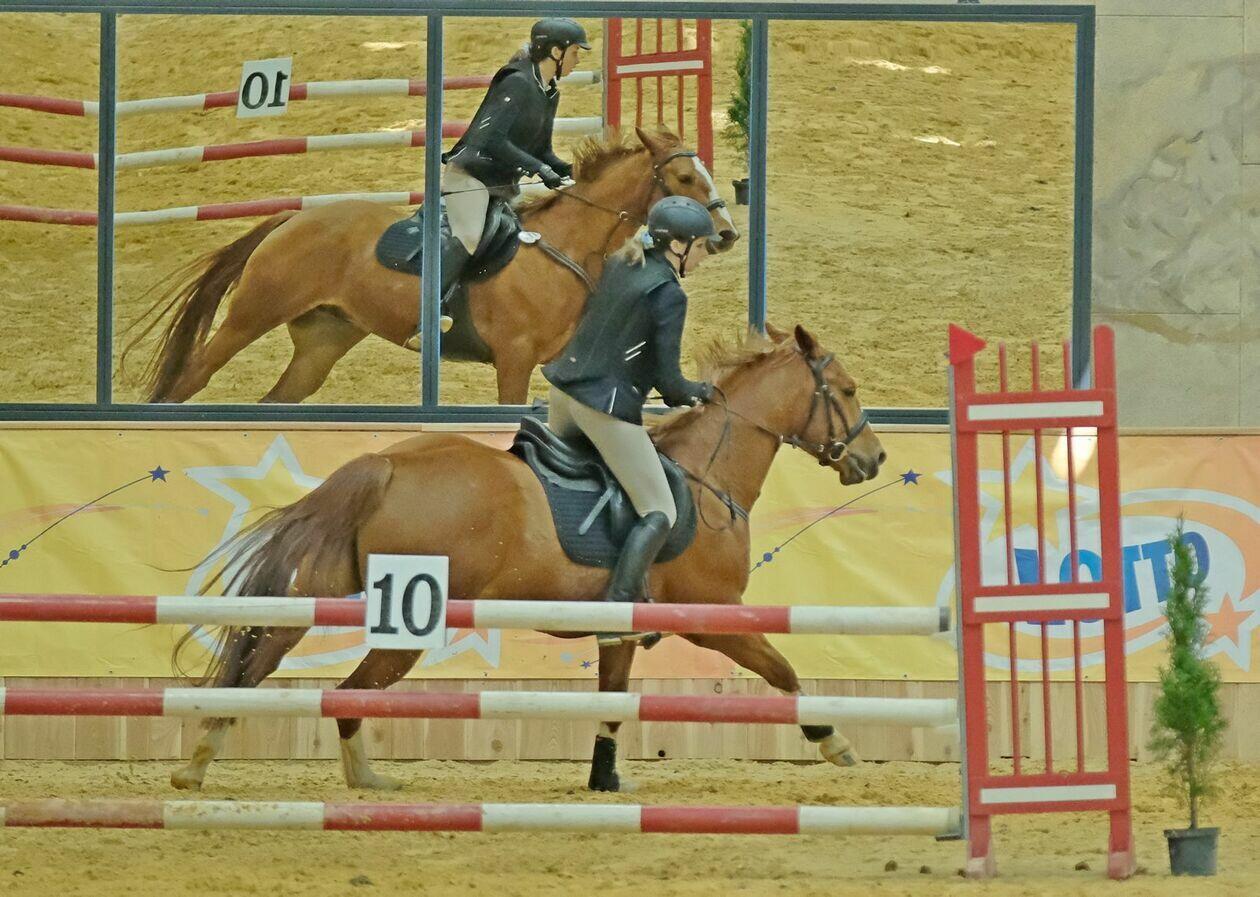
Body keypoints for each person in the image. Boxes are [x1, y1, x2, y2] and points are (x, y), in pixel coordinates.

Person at [542, 195, 717, 644]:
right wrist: (698, 392)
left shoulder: (623, 263)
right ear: (677, 245)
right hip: (603, 408)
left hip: (562, 394)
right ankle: (617, 611)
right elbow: (670, 382)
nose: (703, 257)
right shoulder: (668, 293)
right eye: (700, 247)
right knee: (660, 509)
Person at [414, 17, 590, 341]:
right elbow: (491, 139)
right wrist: (539, 169)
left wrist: (569, 170)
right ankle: (426, 314)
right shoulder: (517, 83)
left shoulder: (549, 92)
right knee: (469, 235)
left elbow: (542, 150)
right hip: (470, 177)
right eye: (576, 53)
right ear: (556, 52)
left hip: (503, 185)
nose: (578, 60)